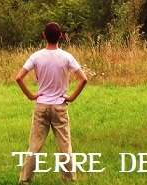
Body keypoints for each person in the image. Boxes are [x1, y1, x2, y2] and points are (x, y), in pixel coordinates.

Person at [15, 22, 88, 183]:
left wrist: (31, 95)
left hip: (41, 105)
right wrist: (71, 97)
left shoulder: (36, 56)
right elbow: (84, 79)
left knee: (34, 146)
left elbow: (18, 77)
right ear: (60, 36)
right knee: (64, 147)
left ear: (44, 35)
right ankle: (69, 179)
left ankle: (25, 180)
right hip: (59, 106)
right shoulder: (67, 57)